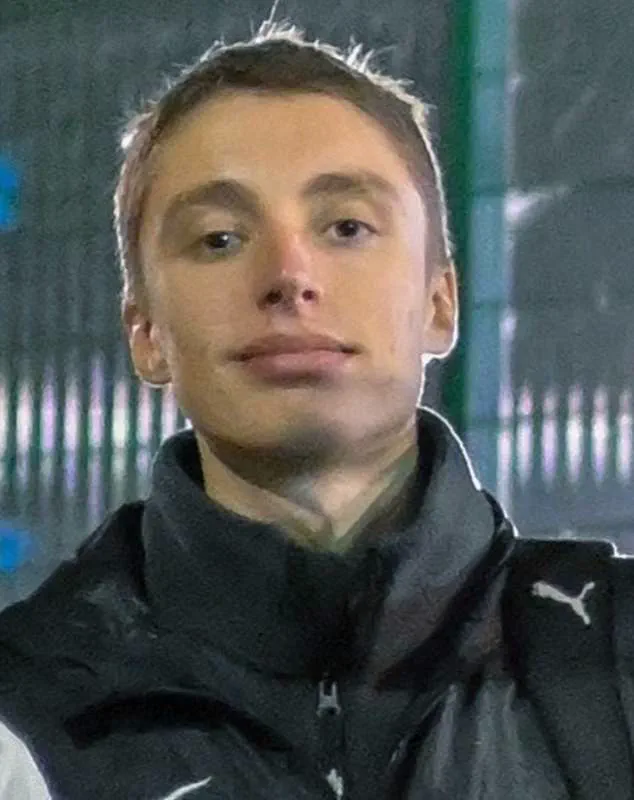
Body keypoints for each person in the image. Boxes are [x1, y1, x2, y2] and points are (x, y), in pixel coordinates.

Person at [0, 19, 632, 800]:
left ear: (440, 302)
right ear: (146, 334)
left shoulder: (617, 664)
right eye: (220, 239)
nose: (290, 275)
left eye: (346, 227)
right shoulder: (18, 718)